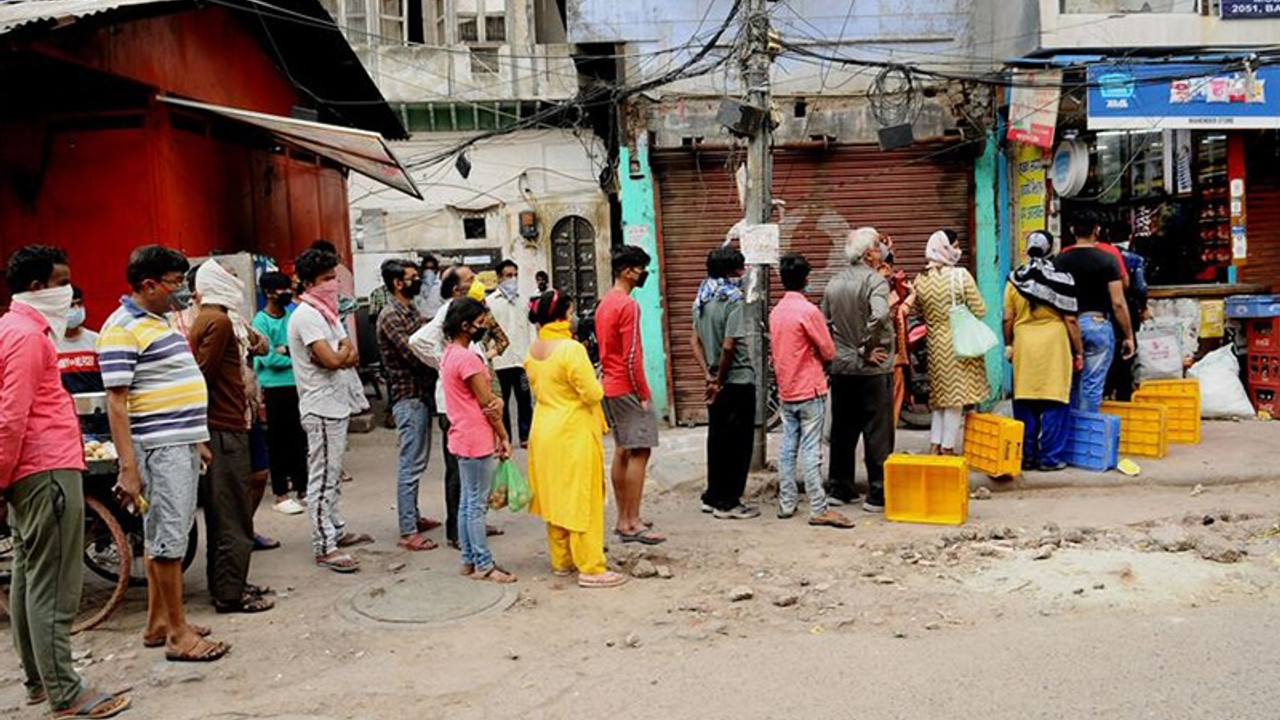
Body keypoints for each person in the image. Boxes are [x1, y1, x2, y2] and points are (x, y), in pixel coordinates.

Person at [2, 246, 134, 716]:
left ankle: (40, 681)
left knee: (28, 577)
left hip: (33, 468)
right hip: (45, 470)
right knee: (54, 587)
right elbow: (11, 418)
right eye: (62, 282)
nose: (68, 293)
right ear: (36, 287)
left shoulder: (14, 329)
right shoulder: (28, 338)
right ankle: (65, 692)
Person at [99, 245, 229, 662]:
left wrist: (197, 438)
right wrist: (129, 468)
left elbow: (175, 384)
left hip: (179, 441)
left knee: (164, 536)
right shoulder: (122, 328)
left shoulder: (159, 322)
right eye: (175, 284)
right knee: (169, 540)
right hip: (158, 446)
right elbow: (117, 402)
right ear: (149, 284)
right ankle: (178, 634)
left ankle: (158, 623)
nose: (181, 292)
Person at [525, 290, 628, 588]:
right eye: (570, 312)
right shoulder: (570, 350)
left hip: (544, 430)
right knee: (583, 500)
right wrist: (598, 380)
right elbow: (593, 394)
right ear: (564, 314)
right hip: (573, 432)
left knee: (557, 497)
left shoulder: (534, 349)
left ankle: (562, 561)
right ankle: (592, 567)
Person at [188, 259, 274, 613]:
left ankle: (231, 584)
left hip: (229, 422)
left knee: (228, 512)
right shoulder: (219, 321)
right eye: (230, 277)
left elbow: (260, 346)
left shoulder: (220, 318)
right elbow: (202, 378)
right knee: (231, 514)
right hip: (223, 426)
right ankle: (229, 593)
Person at [288, 247, 372, 574]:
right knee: (322, 477)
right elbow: (334, 359)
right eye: (326, 279)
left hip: (334, 405)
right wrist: (339, 355)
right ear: (308, 282)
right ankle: (324, 544)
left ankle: (335, 528)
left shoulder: (327, 312)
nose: (332, 284)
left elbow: (348, 353)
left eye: (334, 278)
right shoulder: (308, 315)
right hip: (320, 406)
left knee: (333, 473)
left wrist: (340, 354)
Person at [769, 253, 855, 527]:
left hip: (786, 390)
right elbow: (829, 351)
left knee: (788, 446)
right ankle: (818, 507)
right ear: (806, 279)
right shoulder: (808, 311)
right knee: (811, 450)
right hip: (809, 388)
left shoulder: (776, 312)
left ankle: (787, 502)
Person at [440, 298, 515, 583]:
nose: (484, 326)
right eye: (481, 322)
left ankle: (469, 560)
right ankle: (484, 563)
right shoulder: (469, 359)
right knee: (476, 505)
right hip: (476, 436)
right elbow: (488, 405)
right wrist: (504, 436)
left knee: (466, 502)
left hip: (461, 435)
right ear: (465, 325)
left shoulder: (450, 354)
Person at [823, 228, 895, 512]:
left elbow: (823, 321)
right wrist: (866, 348)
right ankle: (878, 493)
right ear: (868, 254)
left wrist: (839, 352)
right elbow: (880, 314)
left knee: (843, 429)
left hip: (842, 368)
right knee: (877, 432)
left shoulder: (833, 283)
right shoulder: (875, 282)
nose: (882, 250)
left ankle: (840, 488)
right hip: (872, 370)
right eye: (878, 246)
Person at [596, 245, 665, 544]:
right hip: (626, 386)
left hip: (609, 385)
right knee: (640, 450)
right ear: (627, 271)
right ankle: (631, 521)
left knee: (623, 449)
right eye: (640, 269)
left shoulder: (605, 303)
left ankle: (624, 517)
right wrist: (643, 392)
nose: (643, 274)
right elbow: (632, 354)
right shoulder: (627, 305)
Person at [376, 258, 441, 552]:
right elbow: (414, 352)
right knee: (410, 463)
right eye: (413, 277)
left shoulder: (410, 309)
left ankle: (412, 516)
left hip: (420, 394)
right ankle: (407, 529)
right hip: (408, 396)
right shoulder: (391, 316)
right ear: (397, 282)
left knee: (418, 460)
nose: (419, 281)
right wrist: (444, 363)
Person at [905, 230, 990, 455]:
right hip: (958, 343)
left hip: (934, 344)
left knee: (940, 398)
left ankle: (935, 444)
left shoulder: (920, 279)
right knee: (955, 398)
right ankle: (948, 447)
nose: (958, 249)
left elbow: (920, 312)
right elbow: (981, 309)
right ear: (945, 248)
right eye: (955, 245)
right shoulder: (960, 275)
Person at [1005, 231, 1084, 472]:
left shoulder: (1014, 280)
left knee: (1025, 400)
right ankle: (1050, 458)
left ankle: (1027, 457)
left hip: (1025, 345)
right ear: (1051, 250)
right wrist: (1078, 351)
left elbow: (1007, 318)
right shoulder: (1063, 279)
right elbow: (1071, 320)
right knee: (1055, 400)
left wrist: (1009, 344)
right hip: (1055, 345)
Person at [690, 246, 759, 520]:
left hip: (714, 382)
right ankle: (729, 503)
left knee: (717, 440)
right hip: (737, 380)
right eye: (740, 269)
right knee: (739, 444)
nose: (743, 273)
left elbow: (694, 341)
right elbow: (730, 346)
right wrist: (719, 379)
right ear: (731, 272)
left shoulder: (703, 298)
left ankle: (712, 495)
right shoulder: (733, 300)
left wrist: (708, 374)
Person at [1053, 210, 1135, 413]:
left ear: (1072, 230)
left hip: (1067, 326)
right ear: (1096, 230)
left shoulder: (1059, 261)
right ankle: (1087, 437)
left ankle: (1071, 436)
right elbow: (1118, 302)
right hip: (1097, 324)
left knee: (1070, 384)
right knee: (1092, 386)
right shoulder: (1107, 260)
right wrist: (1128, 336)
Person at [252, 271, 309, 514]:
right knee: (277, 441)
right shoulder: (260, 322)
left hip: (296, 385)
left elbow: (301, 348)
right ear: (268, 293)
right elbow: (267, 358)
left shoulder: (291, 316)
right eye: (282, 289)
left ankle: (303, 488)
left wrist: (286, 352)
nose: (287, 293)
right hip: (274, 389)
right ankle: (280, 493)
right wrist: (287, 354)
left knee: (299, 439)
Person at [489, 260, 535, 447]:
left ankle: (526, 436)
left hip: (521, 360)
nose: (512, 279)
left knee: (525, 399)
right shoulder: (490, 302)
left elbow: (530, 328)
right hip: (500, 361)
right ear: (499, 277)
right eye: (508, 275)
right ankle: (504, 437)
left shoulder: (523, 301)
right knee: (502, 402)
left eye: (515, 275)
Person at [1104, 221, 1149, 402]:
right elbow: (1139, 289)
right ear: (1130, 237)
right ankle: (1123, 395)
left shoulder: (1101, 256)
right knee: (1127, 352)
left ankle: (1107, 392)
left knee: (1107, 354)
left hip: (1103, 312)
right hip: (1127, 311)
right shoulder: (1134, 259)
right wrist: (1143, 308)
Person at [55, 285, 104, 394]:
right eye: (71, 305)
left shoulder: (97, 341)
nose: (76, 309)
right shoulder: (49, 343)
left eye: (79, 304)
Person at [414, 252, 445, 321]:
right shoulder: (417, 286)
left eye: (431, 268)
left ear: (436, 270)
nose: (428, 271)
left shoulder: (441, 286)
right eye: (426, 268)